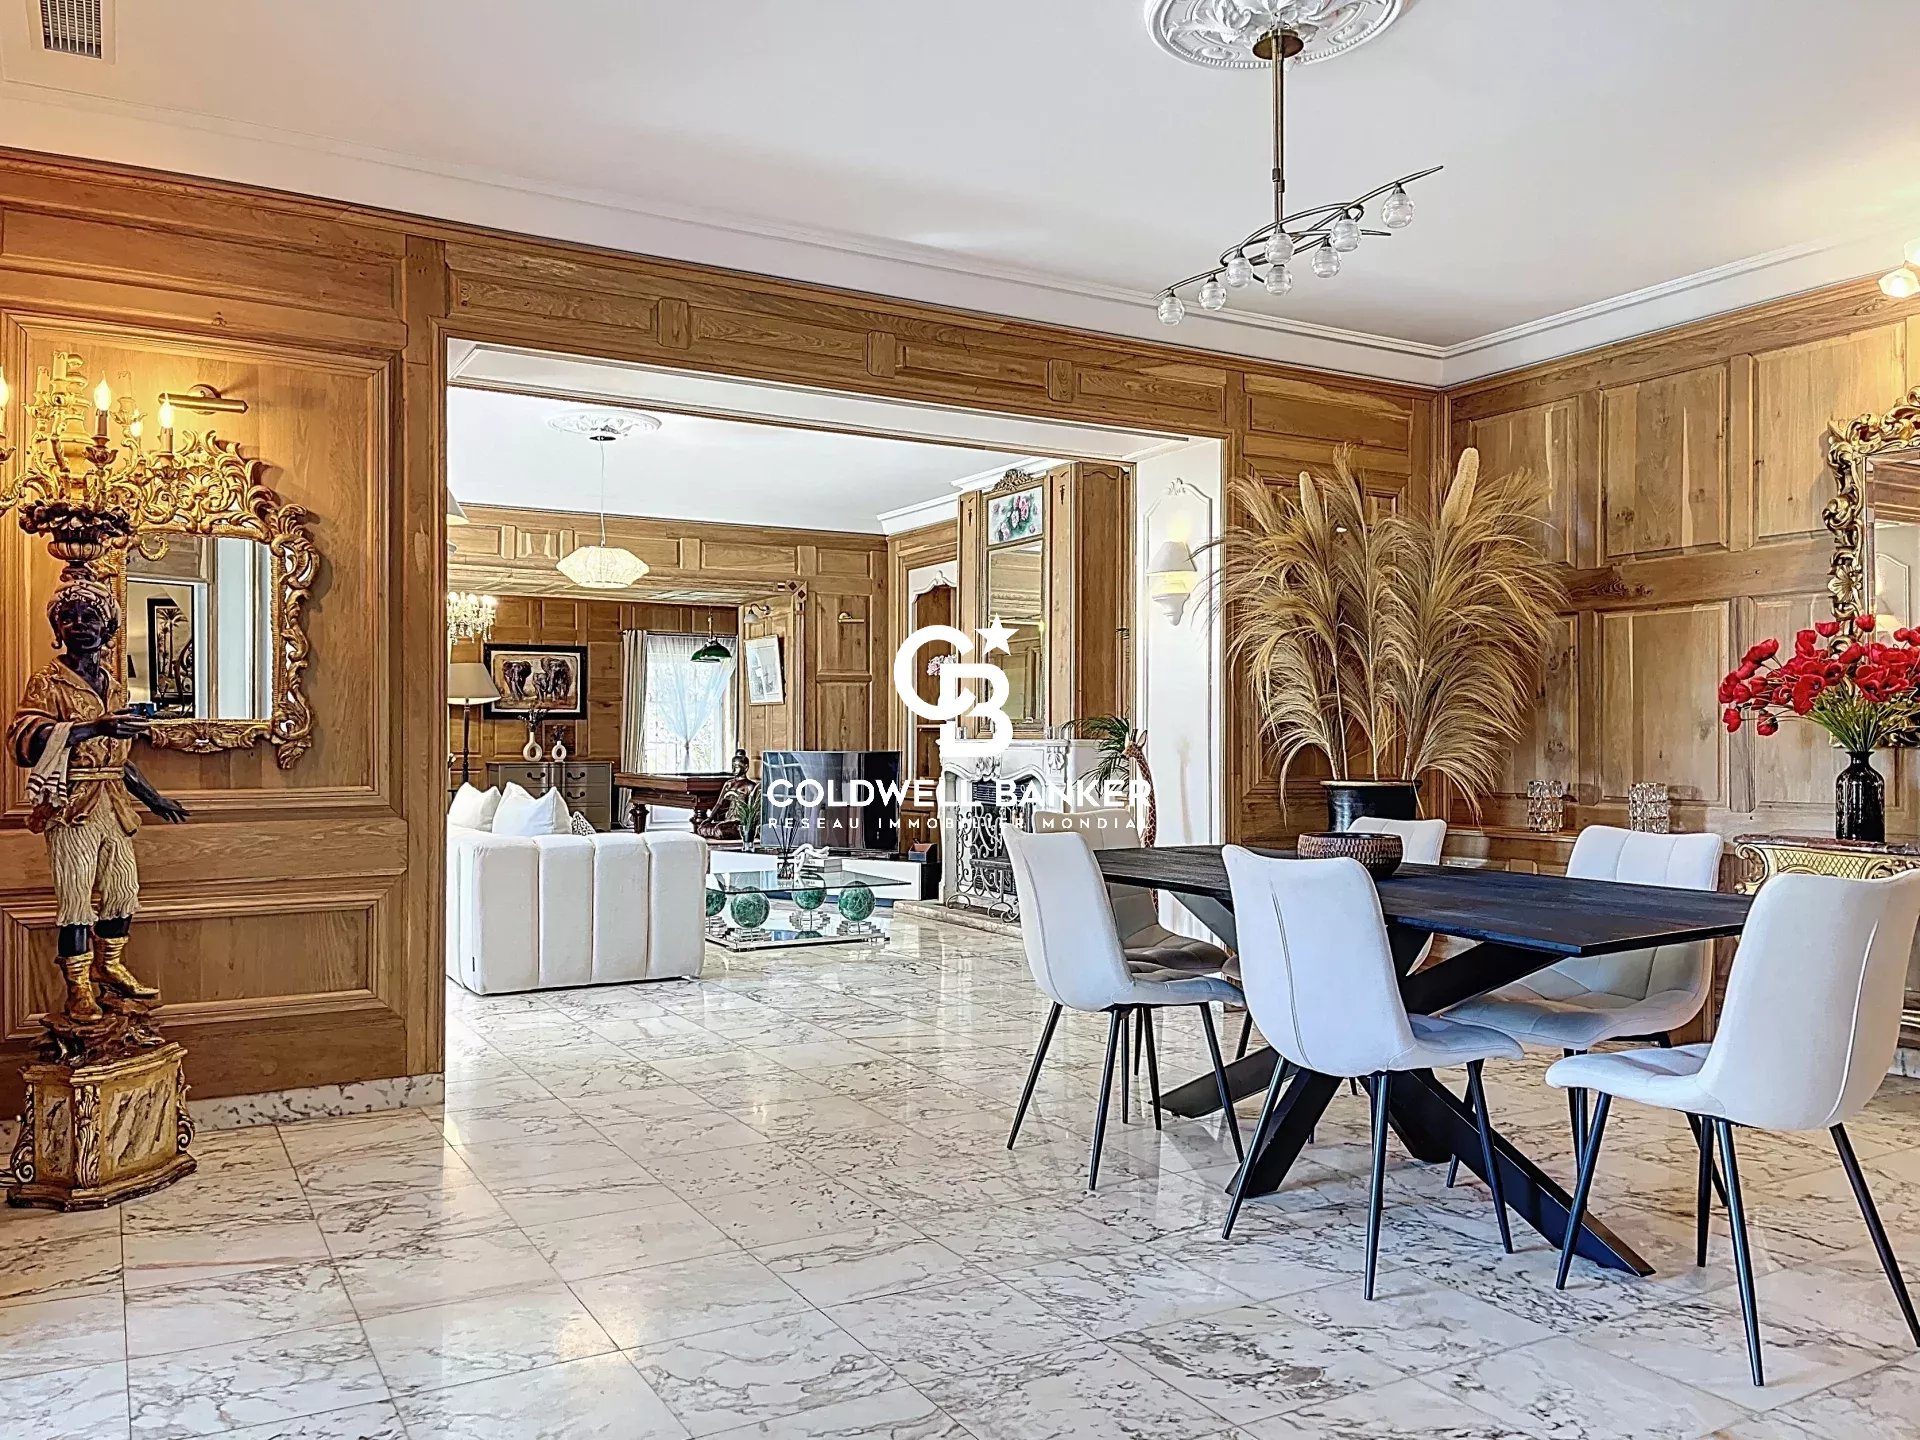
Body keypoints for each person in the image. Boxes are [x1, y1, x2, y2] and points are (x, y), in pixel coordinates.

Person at [7, 579, 189, 1025]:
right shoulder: (48, 681)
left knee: (124, 891)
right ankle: (78, 987)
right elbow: (23, 738)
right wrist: (93, 727)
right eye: (68, 618)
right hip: (70, 806)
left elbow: (118, 759)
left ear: (107, 627)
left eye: (89, 617)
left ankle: (110, 964)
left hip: (113, 805)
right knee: (74, 899)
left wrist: (153, 798)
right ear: (57, 629)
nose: (79, 625)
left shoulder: (114, 684)